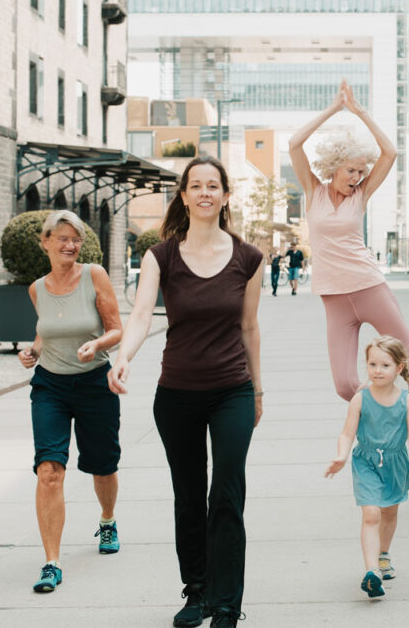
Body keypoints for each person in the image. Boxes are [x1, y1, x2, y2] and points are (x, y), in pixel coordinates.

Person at [109, 156, 263, 628]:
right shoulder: (161, 256)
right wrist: (125, 356)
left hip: (232, 391)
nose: (204, 193)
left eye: (212, 185)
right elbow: (138, 316)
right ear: (183, 195)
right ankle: (196, 592)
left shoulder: (248, 258)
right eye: (195, 186)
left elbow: (249, 328)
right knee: (189, 494)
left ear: (225, 195)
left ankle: (226, 604)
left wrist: (258, 391)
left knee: (227, 492)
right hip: (176, 394)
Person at [289, 80, 409, 453]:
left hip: (369, 288)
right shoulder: (313, 191)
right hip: (334, 299)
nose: (356, 178)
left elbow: (389, 152)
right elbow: (295, 144)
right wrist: (333, 109)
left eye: (361, 171)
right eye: (351, 171)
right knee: (345, 384)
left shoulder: (361, 195)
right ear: (334, 166)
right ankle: (407, 418)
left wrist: (359, 112)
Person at [17, 210, 123, 593]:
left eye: (75, 238)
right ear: (44, 242)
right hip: (50, 387)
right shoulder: (37, 289)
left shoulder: (94, 275)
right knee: (49, 471)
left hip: (95, 382)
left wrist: (96, 343)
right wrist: (33, 350)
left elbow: (116, 330)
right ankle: (51, 562)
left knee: (102, 464)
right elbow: (46, 333)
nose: (69, 245)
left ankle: (107, 519)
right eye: (61, 238)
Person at [325, 336, 409, 599]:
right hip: (366, 462)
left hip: (395, 463)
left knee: (389, 514)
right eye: (372, 364)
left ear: (399, 368)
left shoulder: (407, 401)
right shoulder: (360, 399)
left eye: (384, 365)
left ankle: (384, 554)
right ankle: (371, 571)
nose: (377, 370)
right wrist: (341, 456)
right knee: (371, 513)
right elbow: (347, 433)